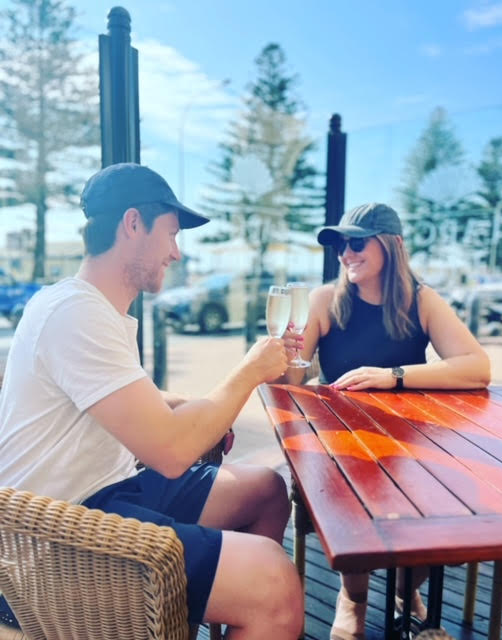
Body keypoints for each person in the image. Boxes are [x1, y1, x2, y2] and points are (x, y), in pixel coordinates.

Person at [0, 163, 303, 640]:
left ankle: (224, 609)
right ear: (133, 223)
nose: (177, 253)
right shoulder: (76, 313)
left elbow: (129, 397)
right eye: (172, 234)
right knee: (275, 581)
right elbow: (171, 453)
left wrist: (191, 408)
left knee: (266, 489)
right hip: (57, 537)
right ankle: (251, 605)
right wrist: (250, 371)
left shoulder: (91, 309)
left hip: (110, 491)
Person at [282, 202, 491, 640]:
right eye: (340, 245)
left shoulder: (421, 299)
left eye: (356, 242)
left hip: (410, 443)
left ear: (392, 246)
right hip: (342, 443)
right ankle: (352, 597)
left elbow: (477, 366)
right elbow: (293, 382)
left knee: (448, 503)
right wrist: (286, 351)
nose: (345, 254)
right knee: (352, 502)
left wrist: (393, 377)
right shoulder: (324, 301)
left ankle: (402, 586)